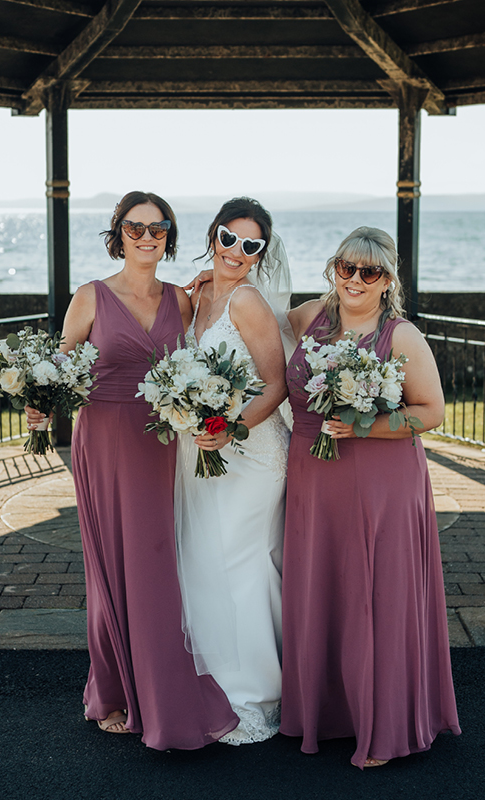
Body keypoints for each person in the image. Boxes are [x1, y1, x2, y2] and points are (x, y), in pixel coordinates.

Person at [27, 191, 238, 748]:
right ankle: (114, 690)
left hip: (162, 441)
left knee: (156, 563)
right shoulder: (91, 296)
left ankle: (160, 687)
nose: (147, 236)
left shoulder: (183, 299)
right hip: (103, 442)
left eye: (158, 226)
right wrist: (37, 403)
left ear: (170, 234)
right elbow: (56, 368)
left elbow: (204, 357)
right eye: (135, 226)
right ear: (118, 232)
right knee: (110, 564)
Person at [280, 226, 460, 769]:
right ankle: (328, 713)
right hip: (314, 475)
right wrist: (204, 287)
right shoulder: (307, 317)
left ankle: (384, 724)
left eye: (370, 272)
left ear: (388, 280)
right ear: (333, 269)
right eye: (346, 268)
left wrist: (366, 426)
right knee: (322, 588)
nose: (355, 280)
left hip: (382, 478)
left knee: (376, 593)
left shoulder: (400, 336)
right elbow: (248, 317)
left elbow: (431, 413)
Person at [173, 197, 290, 745]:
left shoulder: (247, 302)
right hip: (200, 452)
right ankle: (211, 680)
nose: (236, 251)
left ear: (261, 253)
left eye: (251, 245)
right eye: (228, 237)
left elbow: (277, 383)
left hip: (251, 452)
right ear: (213, 235)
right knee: (201, 561)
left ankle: (257, 693)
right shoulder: (197, 297)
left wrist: (230, 428)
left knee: (241, 563)